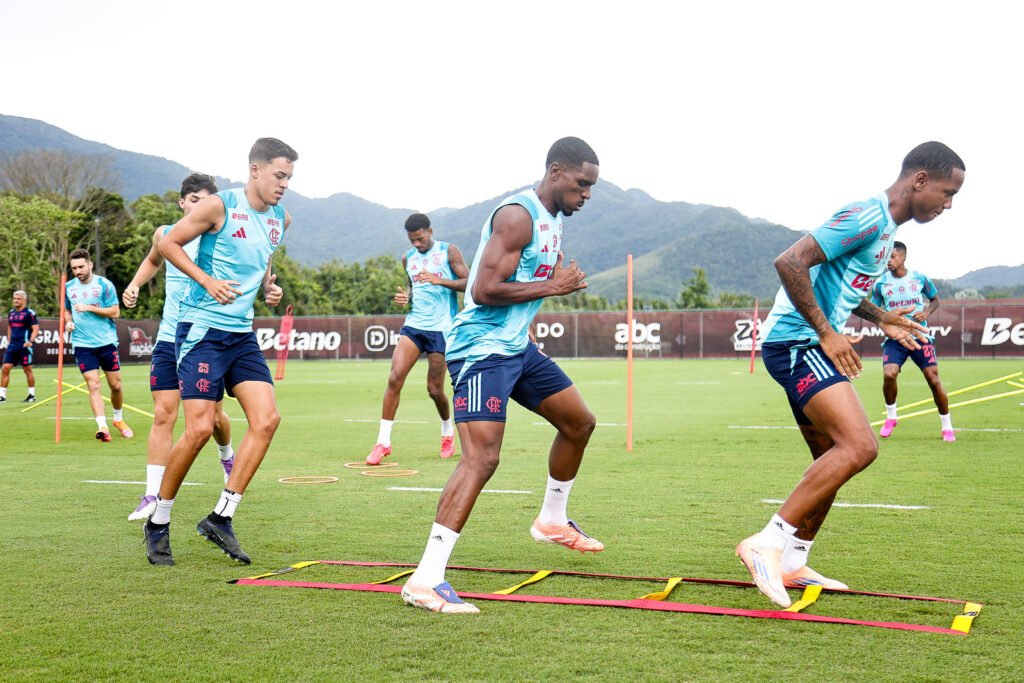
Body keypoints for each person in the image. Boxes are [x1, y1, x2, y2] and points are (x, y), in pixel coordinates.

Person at [740, 141, 965, 608]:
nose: (948, 205)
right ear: (919, 180)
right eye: (946, 193)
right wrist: (826, 332)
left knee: (828, 456)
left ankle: (793, 560)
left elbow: (844, 290)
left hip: (805, 341)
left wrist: (881, 318)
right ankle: (766, 542)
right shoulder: (867, 215)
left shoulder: (886, 233)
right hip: (795, 342)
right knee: (860, 446)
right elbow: (790, 261)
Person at [401, 137, 602, 614]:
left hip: (516, 348)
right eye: (581, 184)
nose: (587, 195)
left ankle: (552, 521)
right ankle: (425, 579)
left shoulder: (554, 219)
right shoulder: (517, 216)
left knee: (579, 422)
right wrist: (553, 286)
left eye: (592, 187)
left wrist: (545, 291)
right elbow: (484, 287)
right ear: (556, 171)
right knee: (481, 460)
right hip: (480, 352)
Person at [142, 138, 293, 566]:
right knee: (199, 430)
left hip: (241, 334)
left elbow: (263, 257)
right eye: (279, 176)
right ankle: (159, 520)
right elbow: (168, 244)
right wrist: (207, 281)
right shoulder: (217, 207)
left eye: (289, 178)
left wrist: (268, 288)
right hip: (203, 330)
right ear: (255, 170)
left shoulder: (282, 218)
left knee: (267, 420)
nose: (284, 185)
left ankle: (221, 518)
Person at [122, 173, 236, 522]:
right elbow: (155, 259)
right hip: (169, 338)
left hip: (202, 339)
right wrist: (135, 284)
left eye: (207, 200)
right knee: (162, 414)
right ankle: (152, 495)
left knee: (213, 418)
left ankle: (227, 455)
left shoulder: (217, 235)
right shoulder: (165, 233)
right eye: (195, 200)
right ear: (182, 201)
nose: (201, 206)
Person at [365, 213, 469, 464]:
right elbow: (413, 287)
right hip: (414, 326)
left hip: (442, 329)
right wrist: (407, 298)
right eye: (412, 240)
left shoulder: (449, 251)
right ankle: (383, 442)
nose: (417, 245)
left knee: (434, 390)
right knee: (394, 377)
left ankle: (446, 431)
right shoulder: (407, 258)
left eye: (420, 239)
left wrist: (439, 280)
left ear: (430, 231)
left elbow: (470, 284)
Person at [871, 242, 955, 442]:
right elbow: (874, 312)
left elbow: (936, 300)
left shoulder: (920, 278)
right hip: (895, 339)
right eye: (885, 258)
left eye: (891, 257)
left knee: (933, 380)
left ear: (903, 257)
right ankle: (891, 417)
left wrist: (925, 313)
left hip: (919, 337)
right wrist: (885, 319)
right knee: (889, 374)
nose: (888, 261)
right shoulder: (880, 283)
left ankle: (947, 426)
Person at [63, 249, 134, 441]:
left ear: (90, 264)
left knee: (116, 386)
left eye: (81, 267)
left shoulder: (104, 284)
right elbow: (66, 311)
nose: (77, 271)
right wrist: (68, 321)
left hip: (106, 342)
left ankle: (118, 419)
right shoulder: (68, 286)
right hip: (82, 344)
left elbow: (115, 312)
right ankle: (102, 426)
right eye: (74, 268)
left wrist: (89, 308)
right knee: (93, 385)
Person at [1, 290, 40, 403]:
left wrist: (30, 341)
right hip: (12, 346)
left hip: (24, 346)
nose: (16, 300)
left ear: (24, 300)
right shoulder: (11, 313)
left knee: (27, 369)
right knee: (5, 368)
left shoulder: (30, 313)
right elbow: (10, 327)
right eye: (14, 298)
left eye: (18, 299)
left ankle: (31, 395)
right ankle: (2, 396)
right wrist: (9, 341)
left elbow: (35, 329)